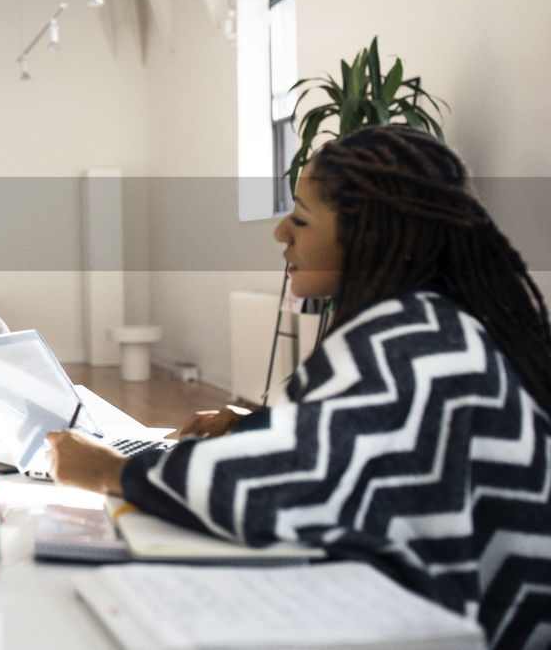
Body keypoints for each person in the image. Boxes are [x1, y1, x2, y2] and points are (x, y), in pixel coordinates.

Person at [48, 125, 551, 648]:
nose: (281, 232)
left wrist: (109, 469)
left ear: (367, 236)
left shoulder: (408, 335)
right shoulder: (436, 321)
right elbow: (382, 443)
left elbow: (275, 486)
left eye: (303, 218)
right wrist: (264, 426)